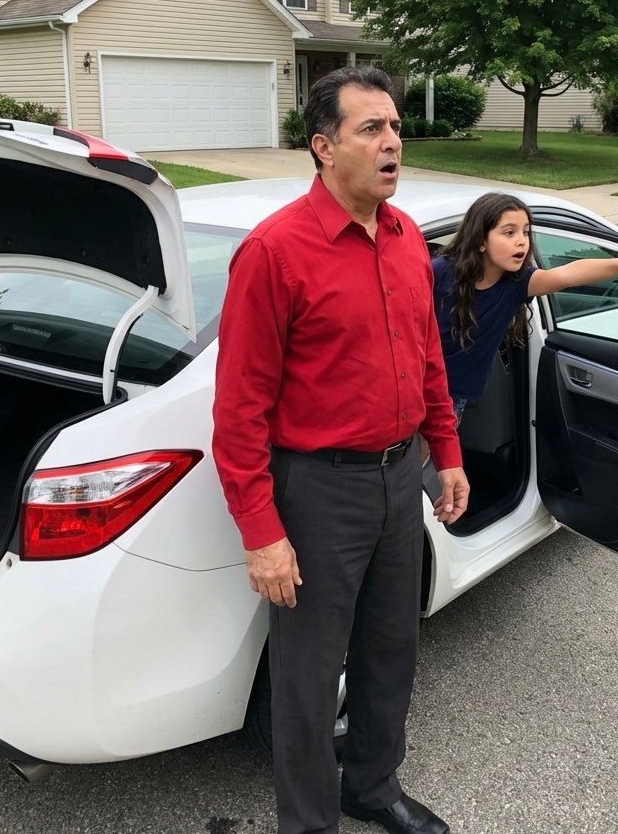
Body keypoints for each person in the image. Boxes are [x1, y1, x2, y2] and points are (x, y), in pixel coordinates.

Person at [212, 66, 469, 834]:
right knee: (309, 676)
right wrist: (262, 532)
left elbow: (427, 357)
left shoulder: (405, 238)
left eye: (395, 127)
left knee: (392, 649)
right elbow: (239, 410)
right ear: (324, 147)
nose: (393, 143)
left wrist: (447, 453)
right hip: (317, 491)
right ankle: (308, 822)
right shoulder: (274, 252)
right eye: (371, 129)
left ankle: (372, 787)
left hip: (399, 477)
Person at [433, 192, 618, 420]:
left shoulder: (518, 283)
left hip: (454, 400)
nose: (521, 241)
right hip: (422, 390)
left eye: (525, 232)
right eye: (509, 233)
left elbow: (568, 274)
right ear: (481, 240)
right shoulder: (439, 272)